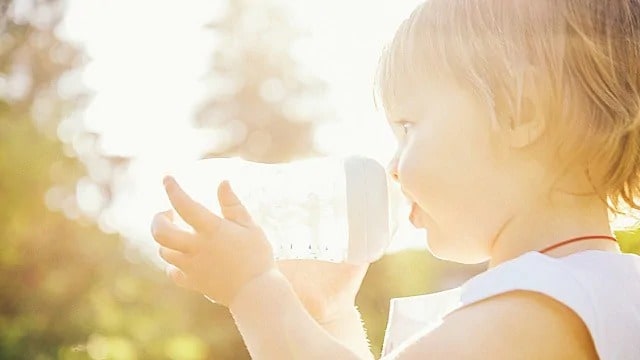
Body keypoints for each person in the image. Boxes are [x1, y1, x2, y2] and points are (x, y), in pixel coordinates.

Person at [150, 0, 640, 358]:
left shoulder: (534, 314)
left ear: (520, 111)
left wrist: (254, 289)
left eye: (408, 128)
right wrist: (329, 315)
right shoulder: (603, 293)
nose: (393, 166)